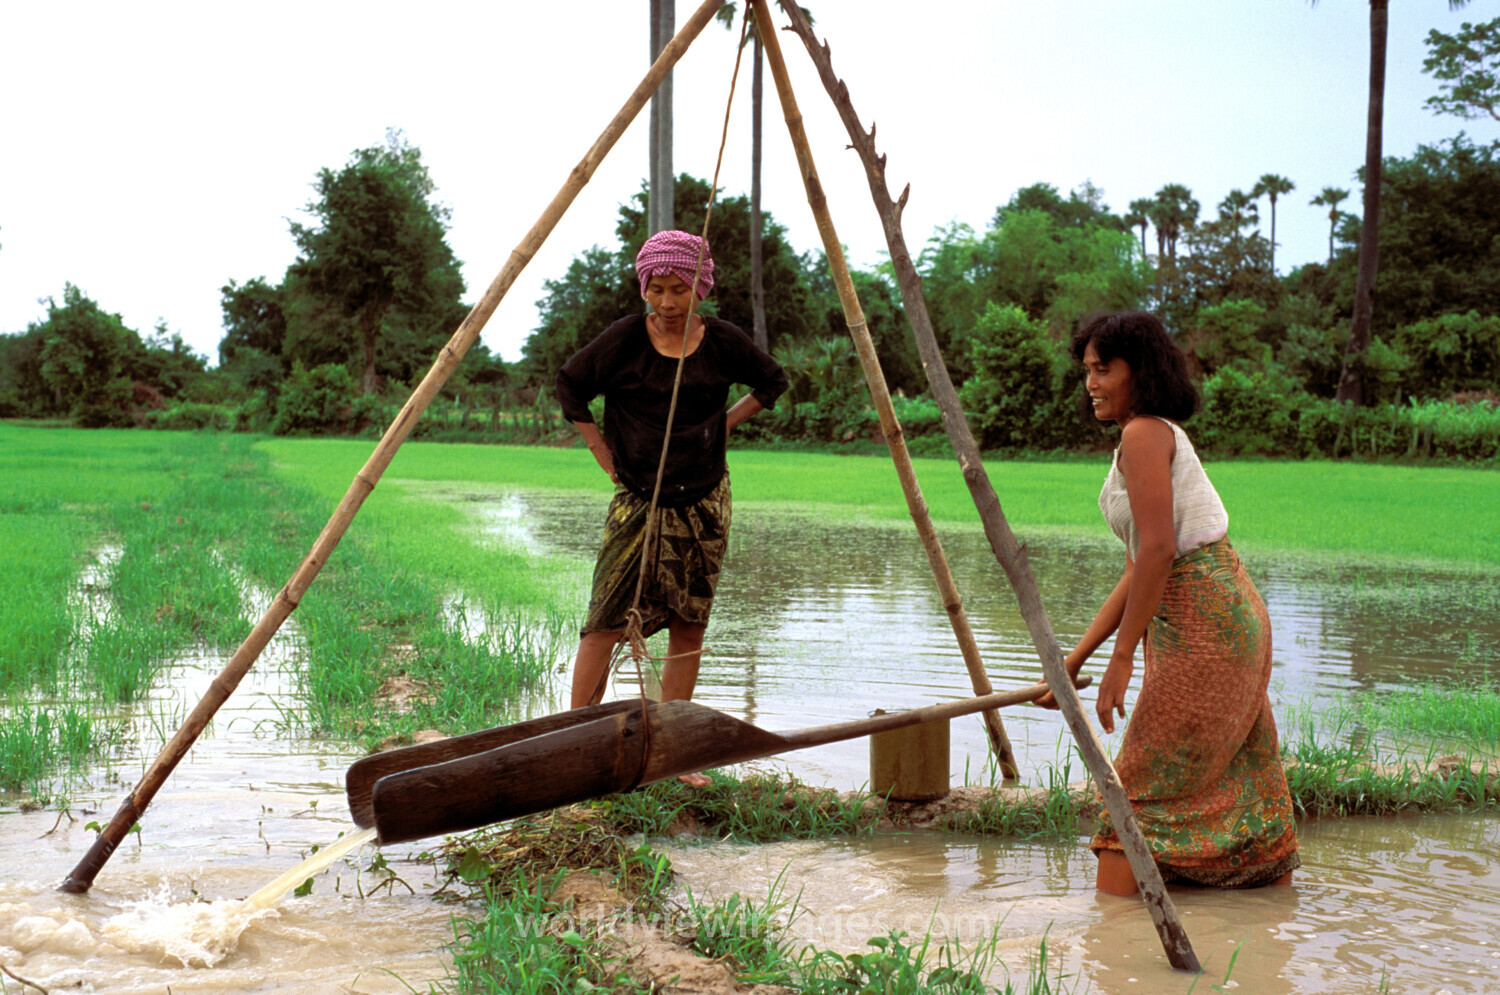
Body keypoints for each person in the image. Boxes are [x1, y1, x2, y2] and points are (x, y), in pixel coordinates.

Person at [1039, 310, 1300, 895]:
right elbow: (1138, 566)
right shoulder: (1146, 437)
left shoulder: (1144, 434)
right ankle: (1258, 926)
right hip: (1218, 613)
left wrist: (1123, 656)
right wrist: (1075, 660)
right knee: (1240, 770)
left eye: (1104, 370)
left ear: (1141, 370)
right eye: (1087, 370)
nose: (1091, 384)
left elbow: (1159, 552)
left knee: (1137, 787)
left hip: (1205, 622)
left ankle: (1112, 940)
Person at [554, 230, 788, 785]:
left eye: (678, 288)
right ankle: (577, 741)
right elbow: (570, 385)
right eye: (655, 289)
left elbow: (773, 380)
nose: (665, 302)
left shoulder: (723, 341)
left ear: (700, 287)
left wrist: (720, 428)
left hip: (703, 500)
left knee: (689, 624)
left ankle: (673, 751)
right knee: (604, 622)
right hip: (636, 499)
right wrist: (602, 453)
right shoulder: (624, 341)